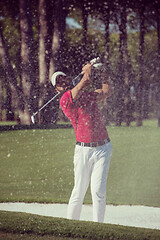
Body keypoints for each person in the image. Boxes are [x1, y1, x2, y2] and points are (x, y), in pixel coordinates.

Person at [51, 63, 113, 223]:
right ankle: (71, 227)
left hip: (103, 149)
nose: (62, 82)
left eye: (63, 78)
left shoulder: (86, 95)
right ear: (56, 90)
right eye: (58, 82)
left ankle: (98, 228)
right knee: (79, 190)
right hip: (83, 151)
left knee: (98, 191)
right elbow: (84, 82)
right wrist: (89, 70)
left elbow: (107, 91)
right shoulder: (65, 100)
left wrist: (104, 72)